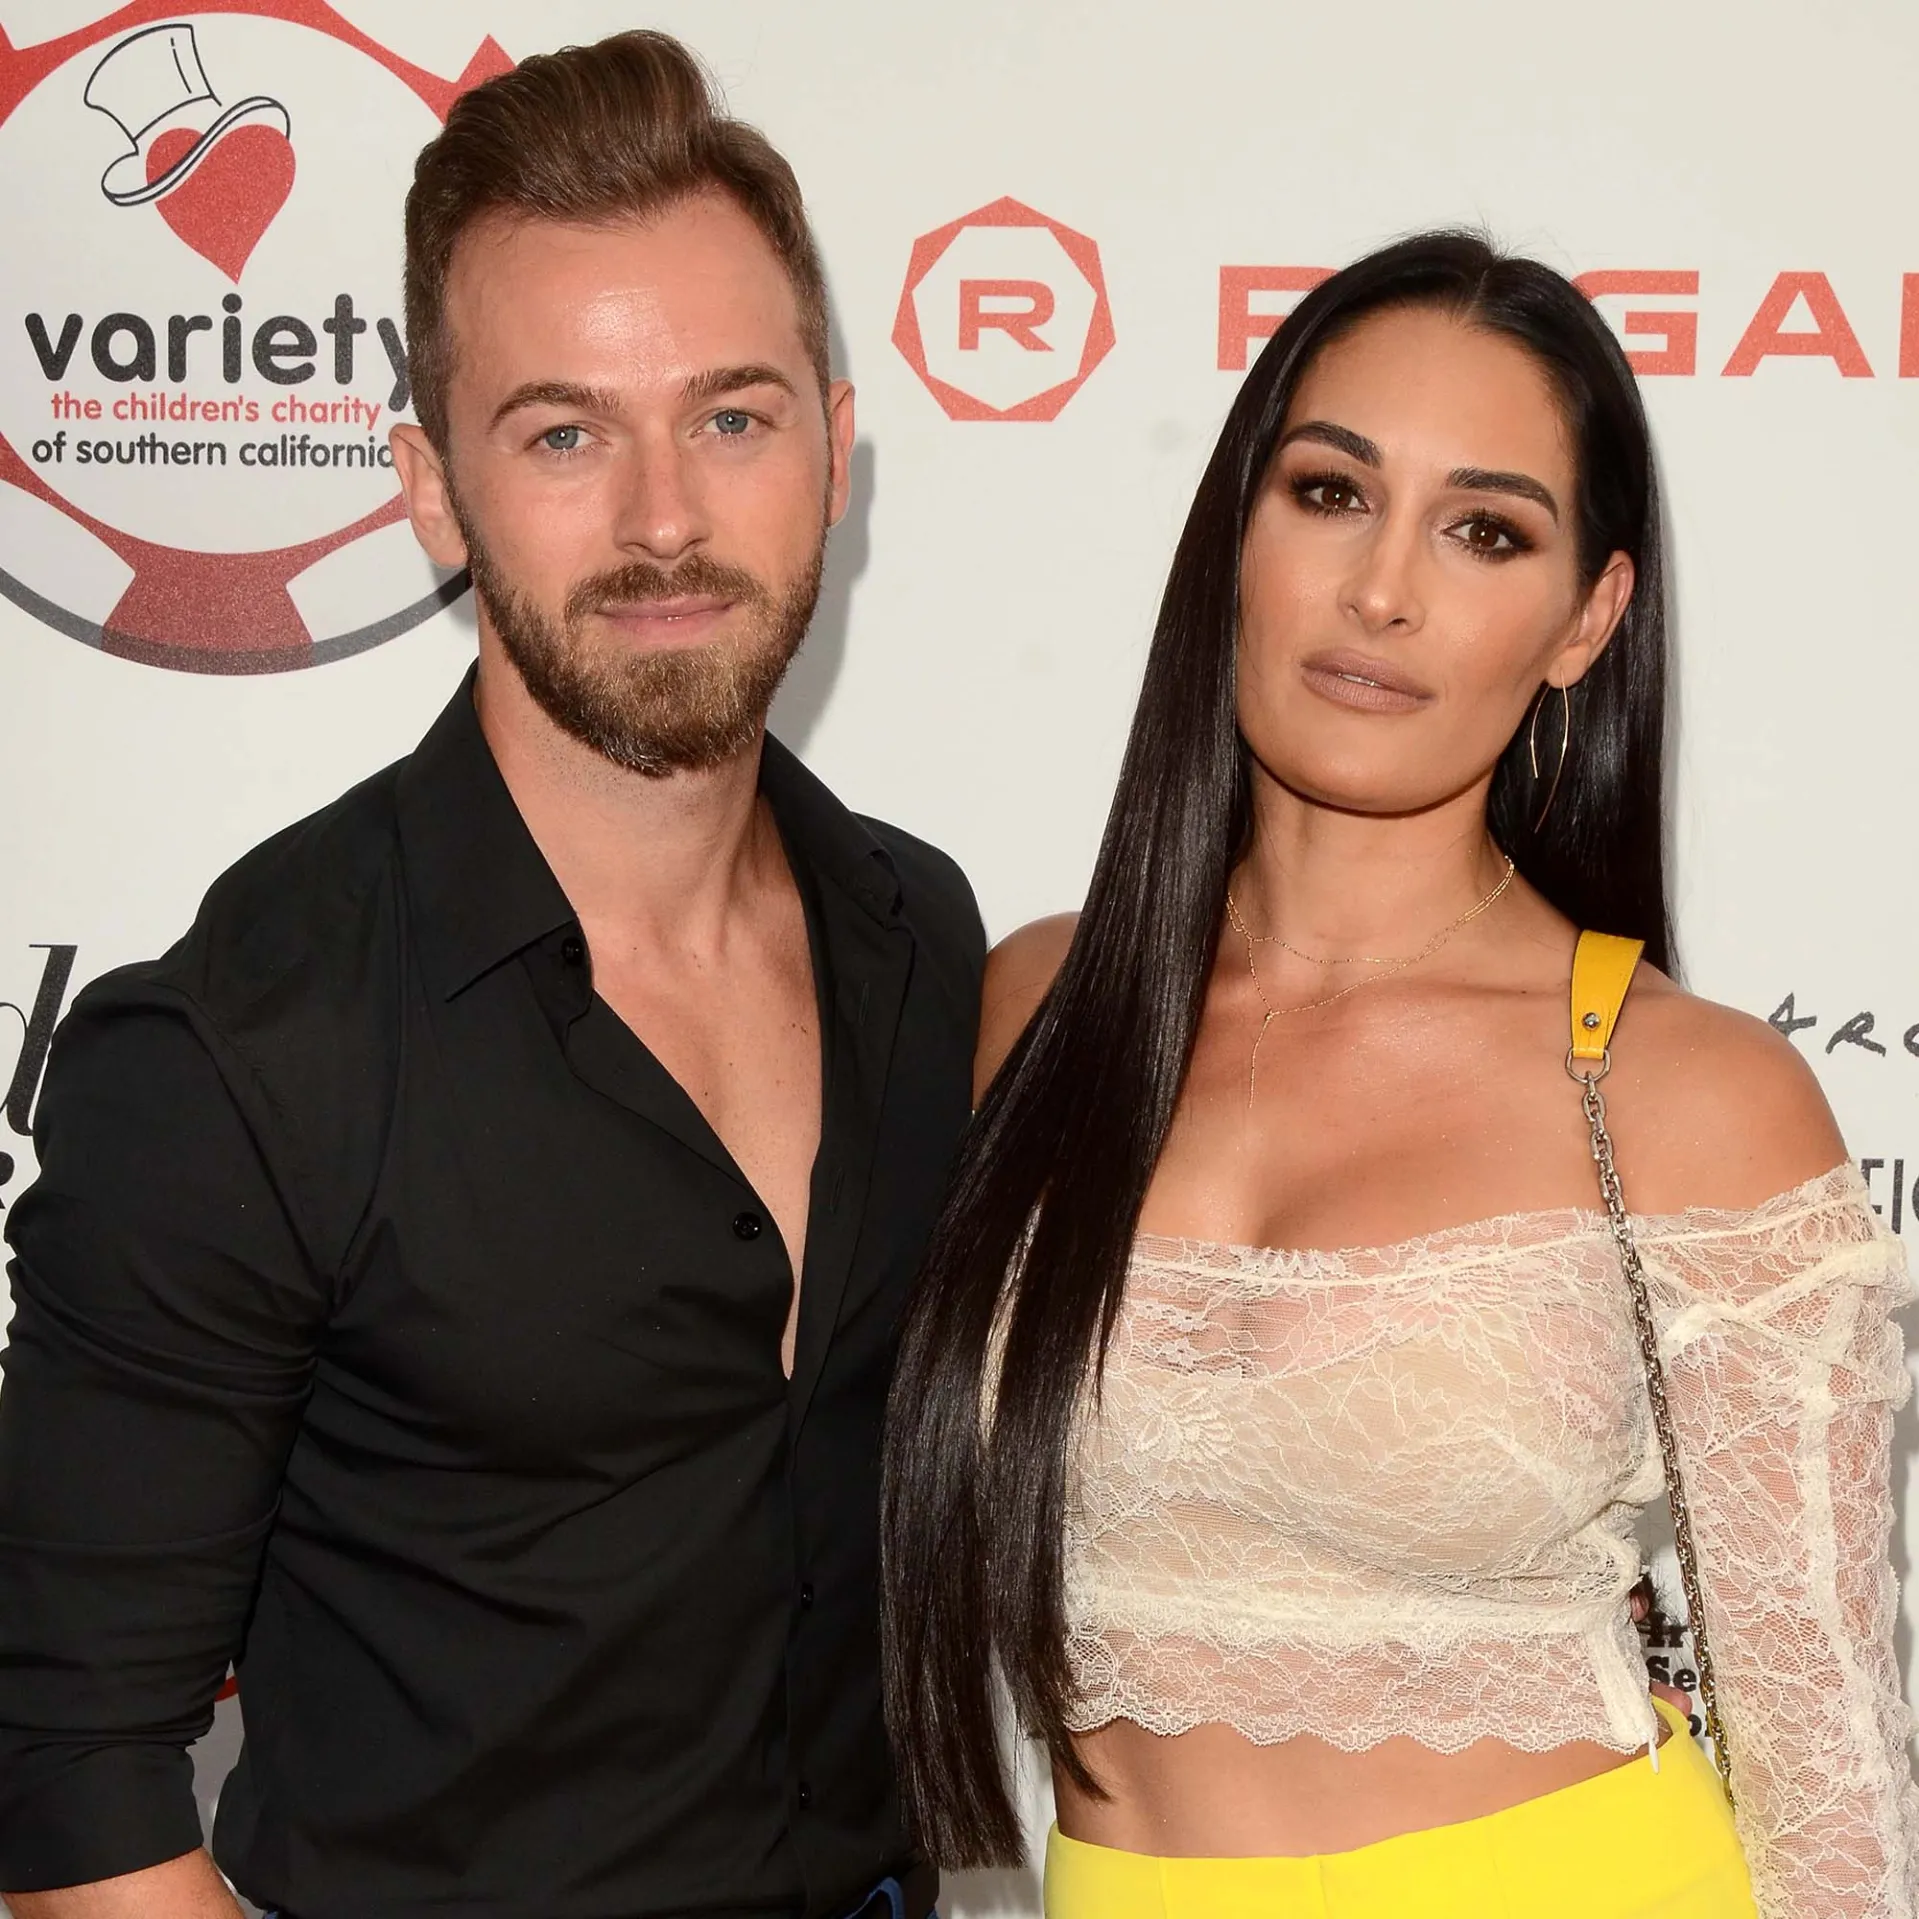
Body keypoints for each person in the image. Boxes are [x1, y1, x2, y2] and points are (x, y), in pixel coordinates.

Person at [0, 32, 977, 1919]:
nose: (664, 518)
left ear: (836, 448)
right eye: (562, 434)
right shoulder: (240, 1049)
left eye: (731, 417)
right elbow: (70, 1772)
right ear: (433, 489)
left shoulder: (914, 936)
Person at [882, 232, 1919, 1918]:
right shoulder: (1038, 1007)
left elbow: (1831, 1801)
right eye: (1329, 493)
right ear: (1236, 533)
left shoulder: (1688, 1093)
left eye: (1484, 530)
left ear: (1585, 620)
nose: (1382, 590)